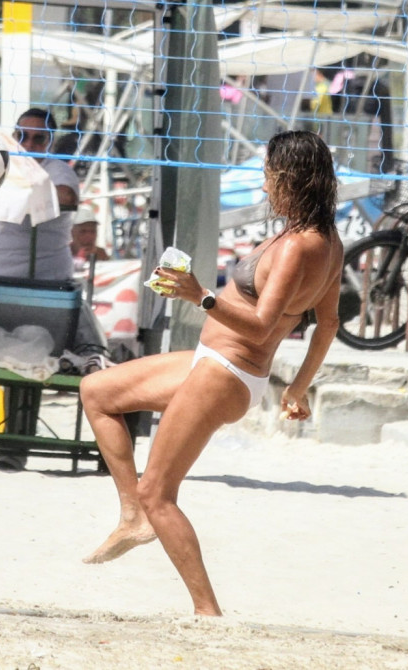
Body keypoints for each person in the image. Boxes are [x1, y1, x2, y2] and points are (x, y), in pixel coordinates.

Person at [78, 130, 343, 616]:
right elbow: (328, 324)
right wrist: (298, 387)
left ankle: (207, 611)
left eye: (269, 174)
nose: (264, 185)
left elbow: (262, 327)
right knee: (97, 391)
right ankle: (132, 517)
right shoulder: (326, 241)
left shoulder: (297, 247)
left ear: (291, 178)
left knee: (158, 492)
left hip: (228, 373)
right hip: (214, 363)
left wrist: (198, 295)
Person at [0, 108, 80, 280]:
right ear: (13, 137)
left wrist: (13, 191)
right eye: (22, 136)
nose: (29, 144)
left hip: (42, 280)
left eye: (39, 138)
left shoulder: (57, 169)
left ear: (51, 141)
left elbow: (67, 197)